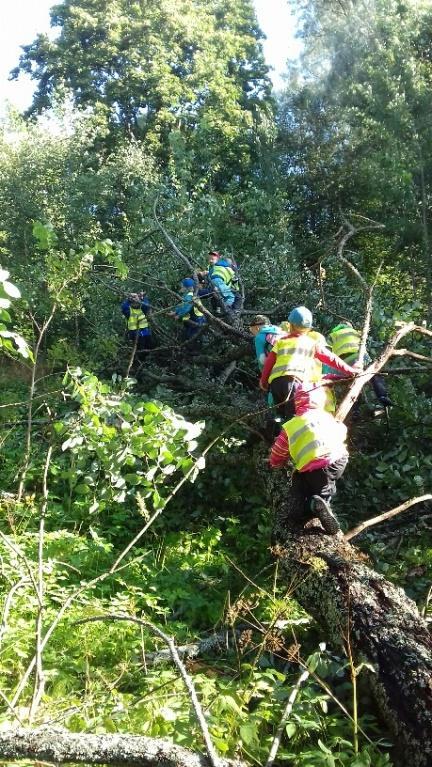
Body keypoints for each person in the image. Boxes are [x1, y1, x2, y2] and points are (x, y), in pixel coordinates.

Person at [269, 383, 348, 534]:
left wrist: (275, 462)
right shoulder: (327, 417)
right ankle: (315, 503)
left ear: (297, 402)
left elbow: (278, 451)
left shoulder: (292, 425)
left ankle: (310, 506)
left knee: (313, 494)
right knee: (324, 488)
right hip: (336, 460)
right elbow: (343, 431)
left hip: (312, 466)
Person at [260, 306, 359, 419]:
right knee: (293, 418)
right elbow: (331, 359)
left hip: (275, 384)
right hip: (295, 383)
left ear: (290, 325)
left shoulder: (281, 342)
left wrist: (263, 381)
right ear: (308, 329)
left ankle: (281, 427)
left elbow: (269, 363)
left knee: (283, 415)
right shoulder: (311, 343)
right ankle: (290, 432)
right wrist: (350, 370)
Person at [328, 323, 392, 408]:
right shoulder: (355, 332)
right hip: (358, 357)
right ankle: (382, 396)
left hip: (342, 362)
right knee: (374, 374)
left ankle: (354, 411)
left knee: (352, 384)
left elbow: (327, 349)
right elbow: (365, 334)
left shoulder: (332, 335)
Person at [172, 278, 206, 342]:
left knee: (194, 337)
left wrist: (179, 315)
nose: (180, 287)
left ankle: (195, 349)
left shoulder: (190, 296)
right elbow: (181, 306)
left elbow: (186, 308)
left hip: (198, 320)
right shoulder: (186, 295)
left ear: (187, 288)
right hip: (193, 319)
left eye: (182, 286)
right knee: (189, 335)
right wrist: (175, 312)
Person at [121, 292, 152, 357]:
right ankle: (141, 361)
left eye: (135, 297)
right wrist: (129, 298)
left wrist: (143, 297)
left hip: (145, 331)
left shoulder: (142, 307)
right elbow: (123, 307)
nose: (133, 298)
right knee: (140, 349)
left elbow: (147, 305)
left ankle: (148, 361)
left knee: (149, 347)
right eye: (132, 297)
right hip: (135, 332)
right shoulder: (128, 309)